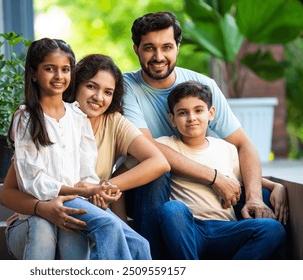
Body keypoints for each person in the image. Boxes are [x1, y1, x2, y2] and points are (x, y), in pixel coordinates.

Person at [121, 11, 287, 259]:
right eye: (149, 48)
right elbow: (149, 149)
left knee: (265, 204)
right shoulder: (126, 87)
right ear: (136, 49)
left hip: (206, 199)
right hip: (153, 195)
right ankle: (153, 263)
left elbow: (242, 145)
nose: (158, 57)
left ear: (177, 47)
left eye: (167, 47)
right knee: (158, 174)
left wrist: (256, 195)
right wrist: (214, 178)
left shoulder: (201, 85)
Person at [0, 49, 169, 260]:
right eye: (91, 86)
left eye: (108, 92)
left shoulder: (112, 122)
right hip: (39, 215)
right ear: (75, 84)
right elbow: (9, 193)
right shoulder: (45, 122)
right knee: (96, 229)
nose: (99, 97)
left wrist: (103, 189)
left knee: (139, 244)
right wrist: (42, 208)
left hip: (79, 209)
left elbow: (159, 162)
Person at [155, 80, 286, 259]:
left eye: (198, 110)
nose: (191, 117)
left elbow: (243, 178)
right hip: (189, 229)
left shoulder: (226, 148)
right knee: (172, 209)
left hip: (226, 229)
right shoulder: (165, 145)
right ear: (172, 119)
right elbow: (139, 146)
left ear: (211, 113)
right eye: (183, 113)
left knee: (273, 228)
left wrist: (275, 186)